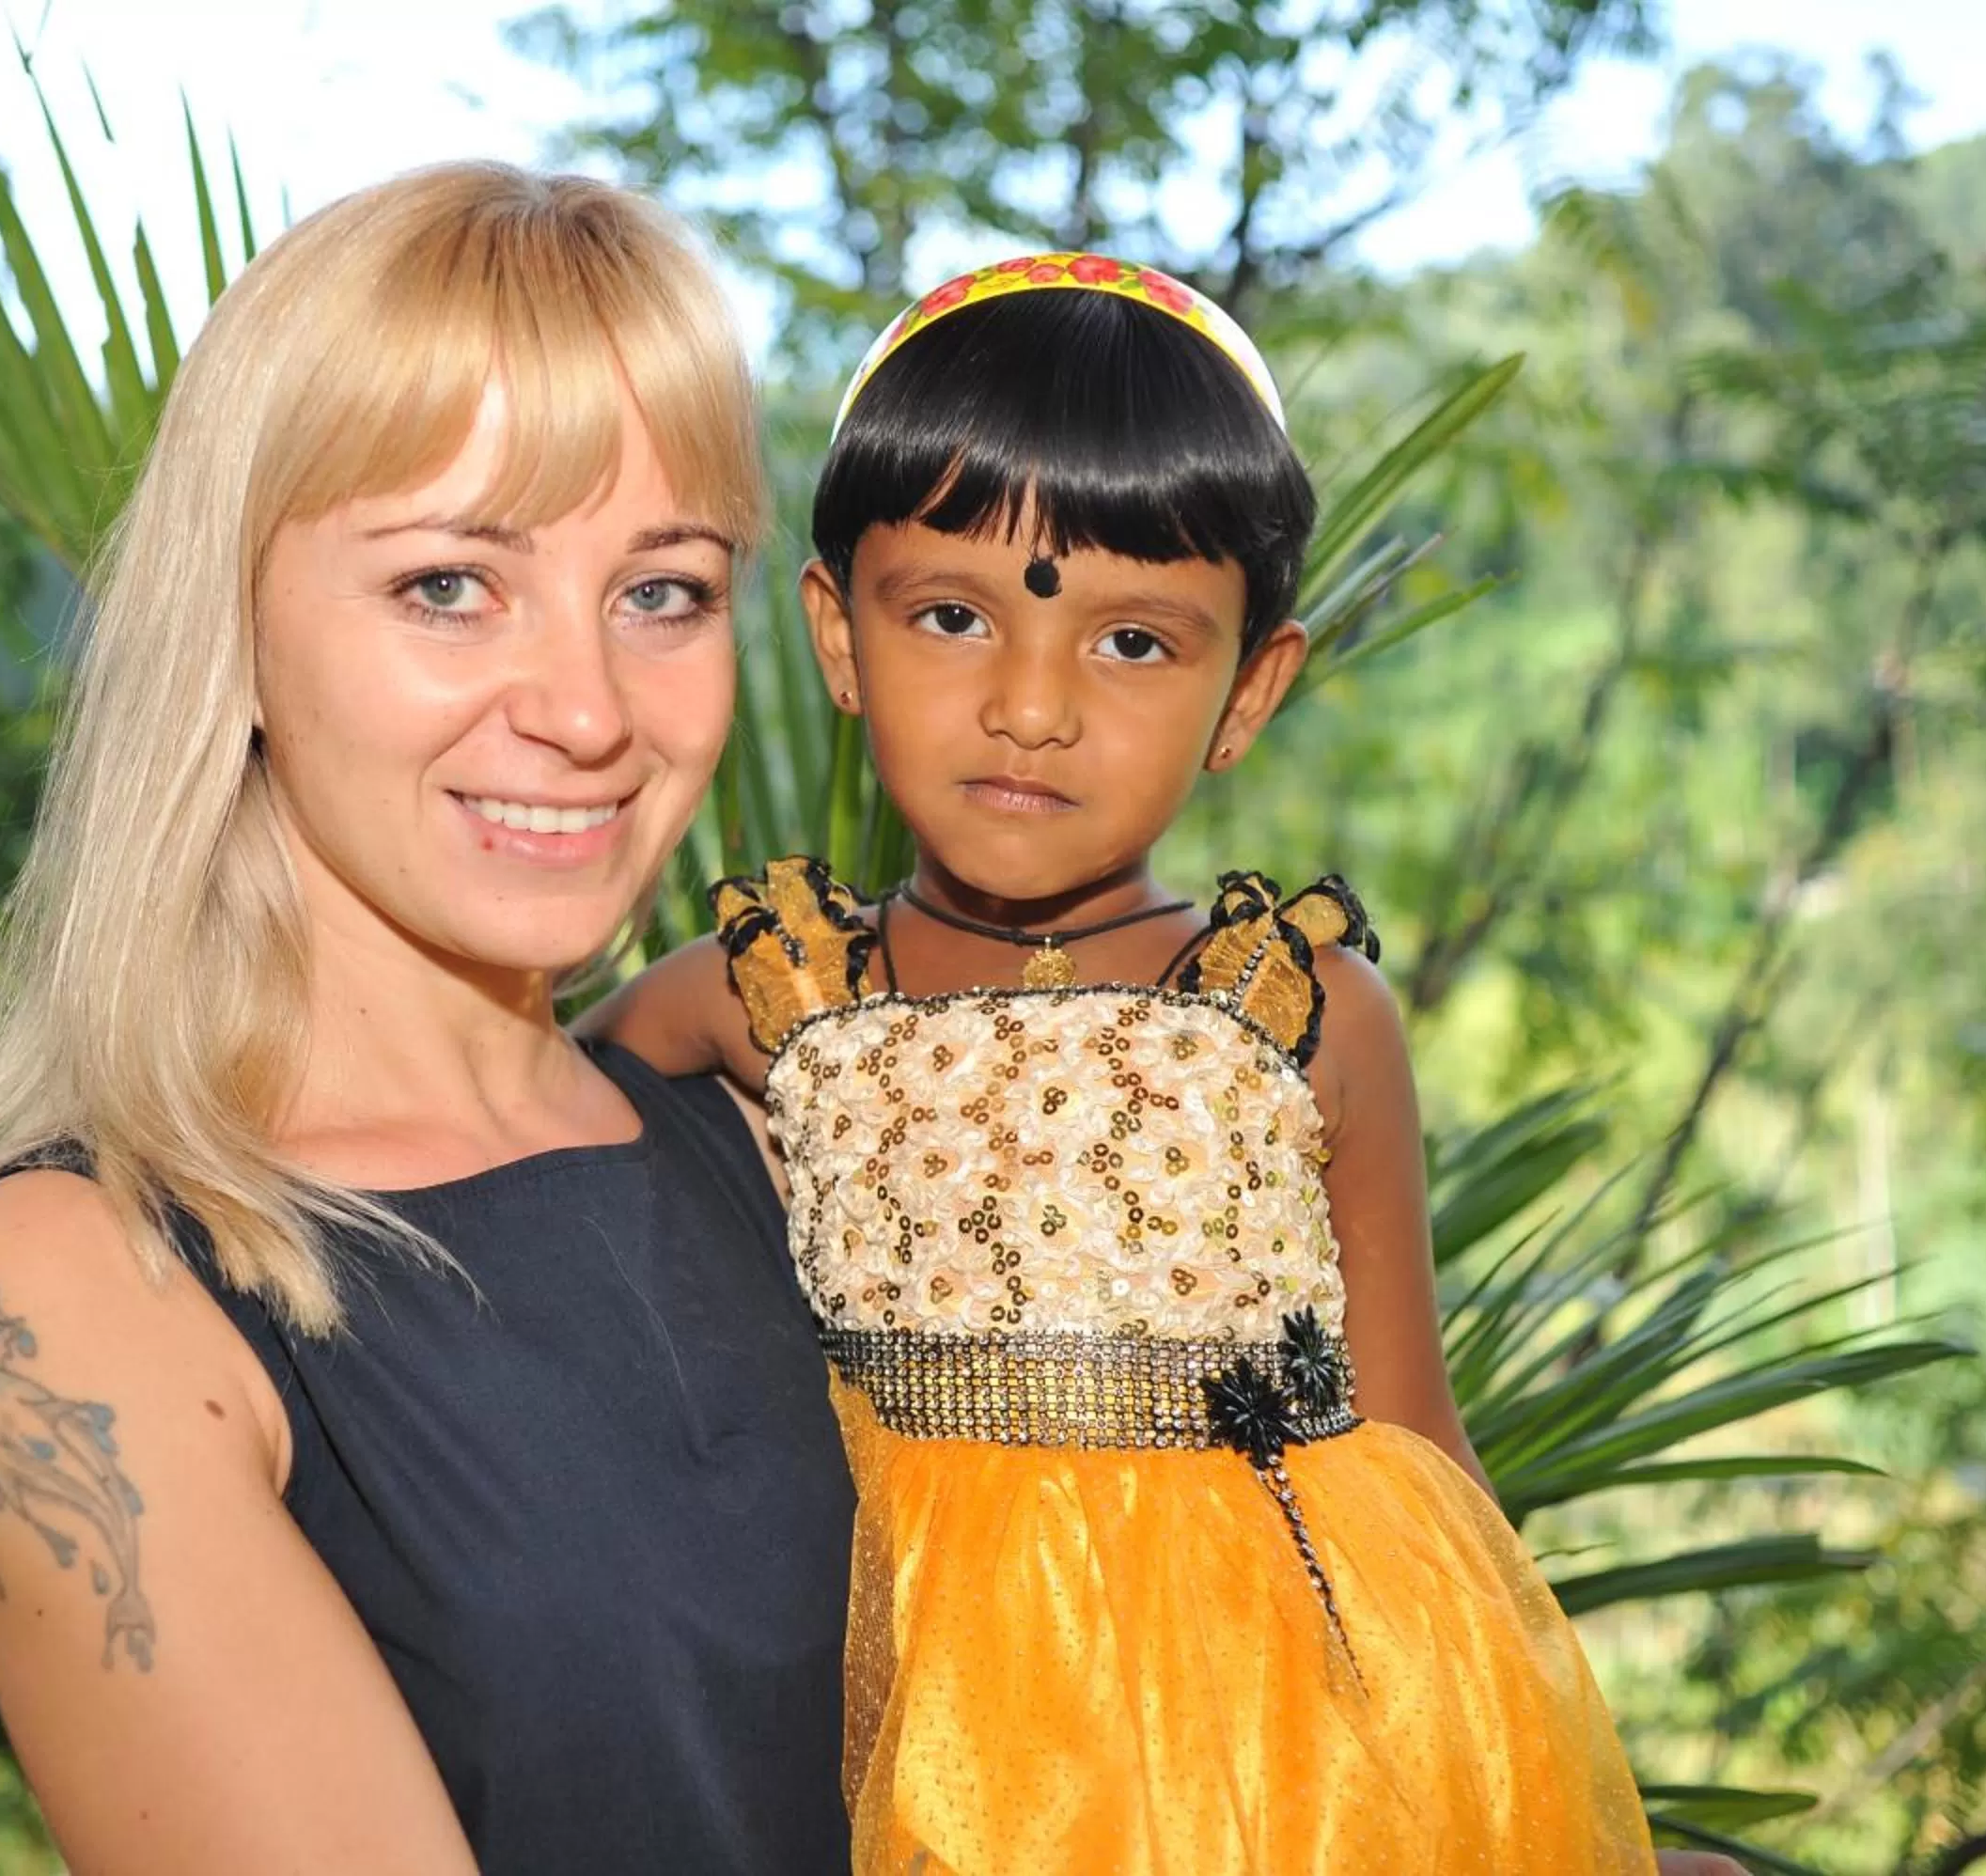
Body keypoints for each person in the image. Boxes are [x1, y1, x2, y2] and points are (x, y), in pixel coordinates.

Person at [586, 254, 1709, 1873]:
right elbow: (500, 1118)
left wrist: (1542, 1798)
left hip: (1264, 1756)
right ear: (839, 637)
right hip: (886, 1710)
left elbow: (1411, 1440)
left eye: (1133, 645)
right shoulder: (775, 993)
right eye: (951, 616)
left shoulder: (1297, 1011)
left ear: (1250, 686)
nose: (1029, 707)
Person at [0, 164, 853, 1873]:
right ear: (236, 628)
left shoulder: (788, 1135)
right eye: (451, 586)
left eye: (662, 591)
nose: (584, 710)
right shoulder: (62, 1290)